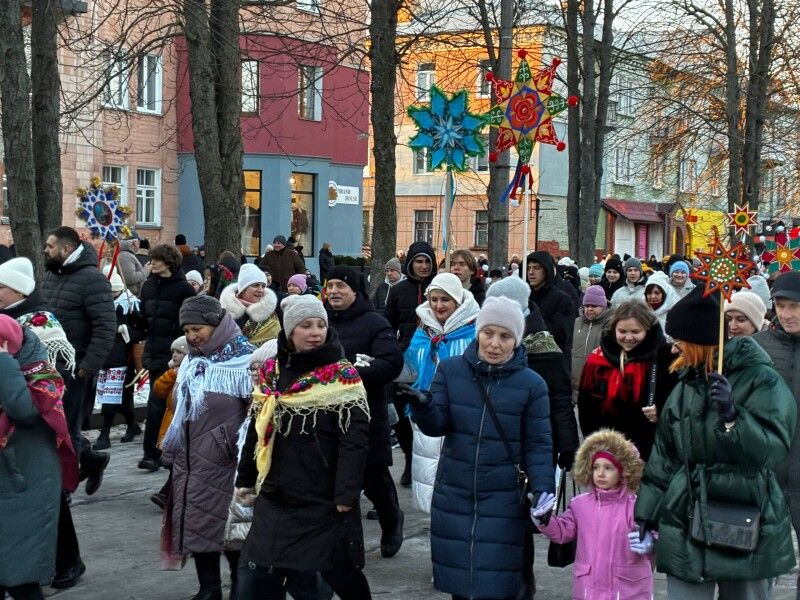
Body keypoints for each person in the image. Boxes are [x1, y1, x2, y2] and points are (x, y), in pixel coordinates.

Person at [636, 288, 797, 600]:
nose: (674, 346)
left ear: (699, 342)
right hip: (687, 510)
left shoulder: (761, 378)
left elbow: (772, 449)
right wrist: (646, 512)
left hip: (746, 514)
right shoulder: (685, 383)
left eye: (680, 339)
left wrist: (733, 418)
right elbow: (665, 456)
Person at [399, 296, 555, 600]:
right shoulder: (451, 370)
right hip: (456, 493)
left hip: (505, 497)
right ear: (478, 332)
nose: (495, 343)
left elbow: (539, 444)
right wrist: (421, 407)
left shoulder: (532, 384)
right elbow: (437, 425)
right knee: (461, 581)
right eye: (488, 333)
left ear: (517, 340)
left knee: (501, 583)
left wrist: (543, 488)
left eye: (505, 336)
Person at [234, 295, 372, 599]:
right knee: (259, 571)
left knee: (337, 571)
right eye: (305, 326)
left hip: (322, 496)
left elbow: (355, 441)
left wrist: (346, 494)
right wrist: (246, 478)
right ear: (289, 331)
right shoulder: (271, 372)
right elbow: (258, 431)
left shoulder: (342, 375)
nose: (315, 332)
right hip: (275, 493)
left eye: (321, 325)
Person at [486, 274, 579, 599]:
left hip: (531, 445)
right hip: (494, 443)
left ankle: (522, 581)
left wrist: (567, 444)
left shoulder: (543, 345)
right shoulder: (489, 342)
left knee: (521, 520)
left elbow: (559, 399)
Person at [160, 295, 255, 600]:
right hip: (191, 460)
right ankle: (209, 589)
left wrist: (234, 445)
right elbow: (179, 408)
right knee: (198, 524)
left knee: (234, 531)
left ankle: (242, 591)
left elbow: (258, 413)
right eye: (187, 330)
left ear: (217, 324)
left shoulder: (245, 360)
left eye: (197, 328)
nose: (192, 336)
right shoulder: (191, 359)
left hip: (228, 460)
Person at [41, 227, 116, 589]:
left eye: (51, 245)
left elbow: (106, 327)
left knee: (64, 435)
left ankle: (68, 479)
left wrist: (86, 368)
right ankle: (91, 458)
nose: (46, 249)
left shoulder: (91, 280)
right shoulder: (52, 277)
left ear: (67, 248)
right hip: (46, 374)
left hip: (74, 374)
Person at [324, 266, 405, 558]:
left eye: (340, 286)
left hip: (366, 413)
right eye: (330, 285)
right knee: (339, 480)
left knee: (374, 477)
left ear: (355, 292)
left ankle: (392, 520)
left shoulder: (374, 322)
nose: (333, 291)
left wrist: (351, 375)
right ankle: (347, 544)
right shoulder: (320, 321)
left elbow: (391, 362)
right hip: (328, 416)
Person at [0, 317, 78, 600]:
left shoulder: (40, 373)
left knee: (20, 574)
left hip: (27, 477)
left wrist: (4, 363)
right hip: (9, 478)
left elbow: (23, 410)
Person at [532, 429, 653, 600]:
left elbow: (655, 530)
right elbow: (563, 532)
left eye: (608, 468)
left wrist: (651, 540)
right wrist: (544, 520)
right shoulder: (580, 505)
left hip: (626, 591)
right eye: (596, 467)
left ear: (623, 471)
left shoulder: (636, 505)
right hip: (590, 590)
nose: (601, 473)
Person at [403, 273, 480, 514]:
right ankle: (433, 510)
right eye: (434, 299)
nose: (438, 306)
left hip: (462, 408)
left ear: (458, 301)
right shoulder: (423, 329)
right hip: (427, 405)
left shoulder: (474, 330)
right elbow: (411, 366)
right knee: (427, 463)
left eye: (445, 300)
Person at [752, 271, 800, 599]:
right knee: (755, 560)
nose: (787, 314)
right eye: (781, 306)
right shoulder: (758, 347)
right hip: (764, 474)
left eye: (795, 306)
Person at [578, 300, 675, 460]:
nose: (628, 338)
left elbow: (675, 403)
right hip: (607, 450)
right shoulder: (597, 359)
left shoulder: (665, 358)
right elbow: (585, 407)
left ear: (648, 330)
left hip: (649, 451)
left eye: (636, 332)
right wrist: (594, 445)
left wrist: (661, 409)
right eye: (622, 331)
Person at [138, 244, 196, 472]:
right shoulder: (149, 286)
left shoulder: (184, 290)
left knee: (174, 404)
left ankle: (172, 450)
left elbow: (190, 324)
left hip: (177, 355)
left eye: (156, 259)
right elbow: (144, 319)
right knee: (155, 403)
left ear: (168, 262)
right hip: (154, 352)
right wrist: (133, 321)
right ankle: (150, 453)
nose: (151, 263)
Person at [385, 240, 437, 486]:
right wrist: (393, 351)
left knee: (429, 408)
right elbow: (389, 325)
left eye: (427, 261)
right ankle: (409, 459)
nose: (423, 266)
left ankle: (434, 463)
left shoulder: (439, 288)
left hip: (435, 357)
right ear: (410, 263)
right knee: (401, 412)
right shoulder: (398, 290)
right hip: (406, 359)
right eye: (419, 261)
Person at [92, 270, 147, 450]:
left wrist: (127, 330)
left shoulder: (132, 304)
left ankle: (105, 433)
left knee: (113, 397)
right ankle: (132, 425)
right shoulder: (103, 304)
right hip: (106, 355)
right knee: (120, 397)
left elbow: (143, 329)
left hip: (123, 357)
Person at [149, 335, 189, 511]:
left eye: (179, 352)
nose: (175, 355)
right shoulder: (172, 371)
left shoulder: (190, 371)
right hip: (170, 422)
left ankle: (167, 495)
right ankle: (169, 496)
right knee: (173, 464)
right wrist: (171, 374)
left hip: (181, 424)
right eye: (173, 351)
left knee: (177, 465)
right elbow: (158, 389)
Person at [525, 251, 575, 370]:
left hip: (553, 366)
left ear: (546, 270)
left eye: (536, 268)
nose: (531, 272)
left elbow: (562, 336)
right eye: (528, 268)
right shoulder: (525, 298)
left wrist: (534, 320)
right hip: (527, 363)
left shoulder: (562, 299)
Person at [219, 263, 280, 348]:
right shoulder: (225, 312)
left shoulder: (269, 314)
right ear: (243, 289)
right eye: (255, 285)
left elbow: (273, 346)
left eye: (263, 286)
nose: (260, 290)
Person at [571, 284, 611, 396]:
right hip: (575, 384)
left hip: (599, 385)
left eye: (594, 306)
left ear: (602, 306)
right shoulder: (576, 323)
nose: (589, 309)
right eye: (586, 305)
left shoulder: (611, 324)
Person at [116, 233, 149, 297]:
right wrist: (146, 270)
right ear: (134, 243)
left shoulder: (127, 254)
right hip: (129, 296)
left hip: (131, 294)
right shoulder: (125, 256)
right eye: (139, 242)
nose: (139, 245)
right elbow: (130, 278)